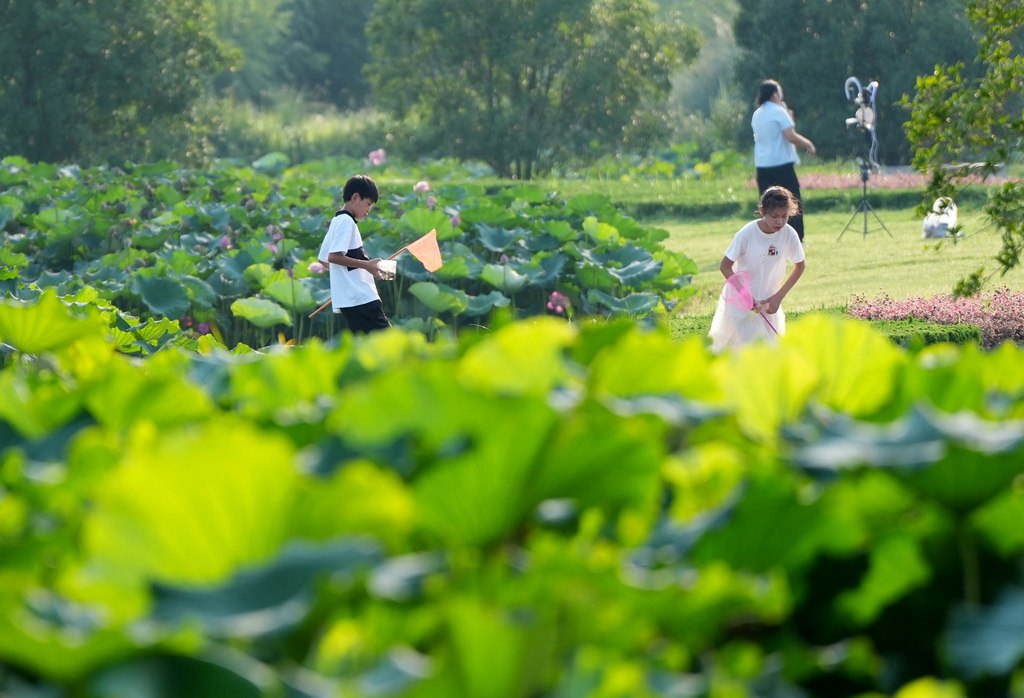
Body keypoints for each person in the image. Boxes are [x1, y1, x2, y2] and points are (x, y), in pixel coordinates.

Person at [708, 186, 806, 353]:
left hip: (769, 302)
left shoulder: (788, 233)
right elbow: (724, 266)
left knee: (771, 351)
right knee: (746, 351)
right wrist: (744, 294)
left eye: (784, 216)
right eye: (775, 216)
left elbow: (800, 265)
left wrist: (778, 297)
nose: (780, 222)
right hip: (742, 301)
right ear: (762, 211)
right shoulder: (746, 234)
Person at [317, 174, 392, 333]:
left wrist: (347, 276)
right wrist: (366, 265)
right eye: (368, 204)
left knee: (369, 350)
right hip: (361, 298)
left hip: (351, 300)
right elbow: (333, 257)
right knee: (391, 346)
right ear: (356, 197)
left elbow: (323, 258)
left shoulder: (337, 220)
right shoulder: (346, 222)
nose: (368, 210)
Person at [751, 79, 816, 242]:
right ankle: (796, 239)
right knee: (791, 202)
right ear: (774, 94)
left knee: (768, 205)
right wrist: (808, 144)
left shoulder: (757, 114)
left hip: (763, 165)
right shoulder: (779, 112)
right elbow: (790, 136)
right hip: (781, 164)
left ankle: (769, 238)